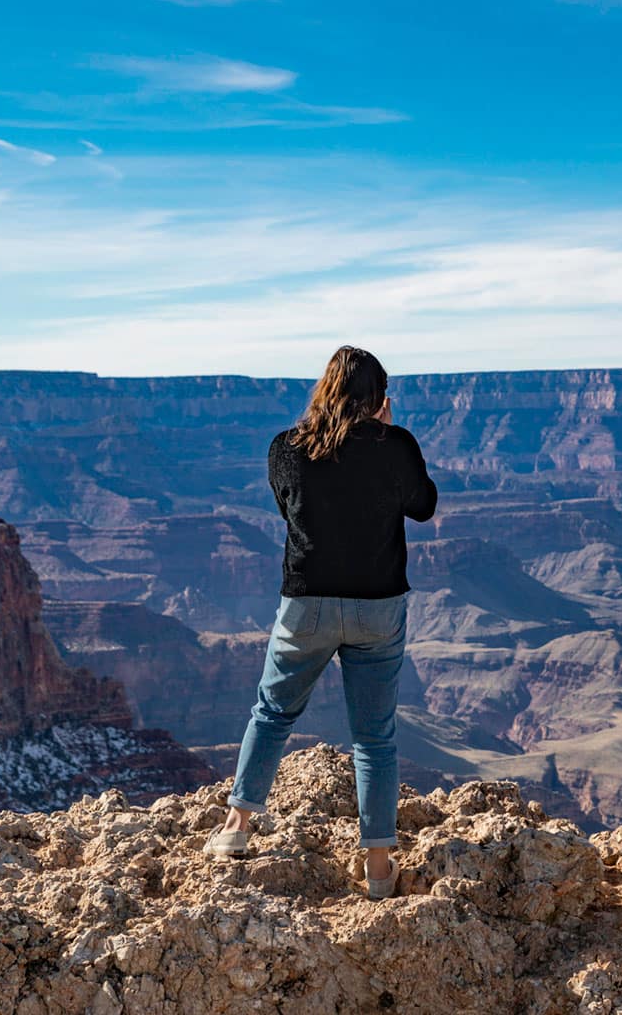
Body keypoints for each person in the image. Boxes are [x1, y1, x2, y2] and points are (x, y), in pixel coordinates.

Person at [203, 345, 438, 900]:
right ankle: (379, 870)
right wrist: (387, 437)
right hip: (377, 607)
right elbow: (424, 505)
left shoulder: (287, 447)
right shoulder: (396, 445)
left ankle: (236, 831)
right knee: (374, 739)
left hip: (306, 605)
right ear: (379, 398)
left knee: (272, 712)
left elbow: (292, 510)